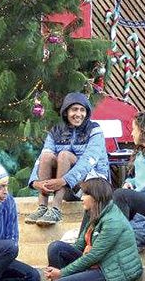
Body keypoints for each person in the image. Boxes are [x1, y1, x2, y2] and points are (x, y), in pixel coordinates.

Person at [8, 177, 143, 281]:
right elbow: (81, 245)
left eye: (85, 194)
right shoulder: (95, 212)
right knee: (56, 248)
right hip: (99, 263)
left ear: (96, 197)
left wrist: (62, 273)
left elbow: (93, 256)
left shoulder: (113, 222)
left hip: (112, 272)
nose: (81, 198)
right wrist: (63, 265)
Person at [27, 92, 109, 226]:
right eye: (74, 109)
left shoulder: (95, 130)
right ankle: (42, 207)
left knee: (64, 155)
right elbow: (42, 156)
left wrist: (64, 180)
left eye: (82, 110)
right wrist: (35, 182)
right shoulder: (56, 131)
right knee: (47, 156)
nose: (79, 114)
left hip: (92, 184)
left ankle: (56, 209)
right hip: (67, 187)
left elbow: (89, 160)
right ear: (66, 112)